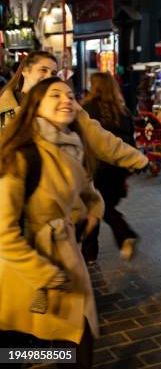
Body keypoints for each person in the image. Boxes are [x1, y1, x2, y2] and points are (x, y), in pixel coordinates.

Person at [0, 77, 103, 368]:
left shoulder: (72, 147)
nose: (66, 100)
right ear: (35, 106)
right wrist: (45, 274)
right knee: (18, 349)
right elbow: (3, 231)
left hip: (64, 258)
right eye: (55, 95)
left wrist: (95, 210)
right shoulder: (23, 154)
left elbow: (87, 190)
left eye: (70, 95)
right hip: (28, 268)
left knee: (75, 335)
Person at [0, 51, 148, 172]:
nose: (48, 77)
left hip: (60, 188)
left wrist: (136, 159)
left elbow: (98, 137)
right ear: (25, 71)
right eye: (43, 70)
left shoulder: (63, 102)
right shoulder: (4, 107)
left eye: (53, 73)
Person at [81, 72, 139, 263]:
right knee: (104, 206)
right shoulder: (123, 111)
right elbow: (131, 141)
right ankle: (122, 236)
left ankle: (93, 252)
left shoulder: (86, 110)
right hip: (119, 168)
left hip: (96, 168)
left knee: (96, 206)